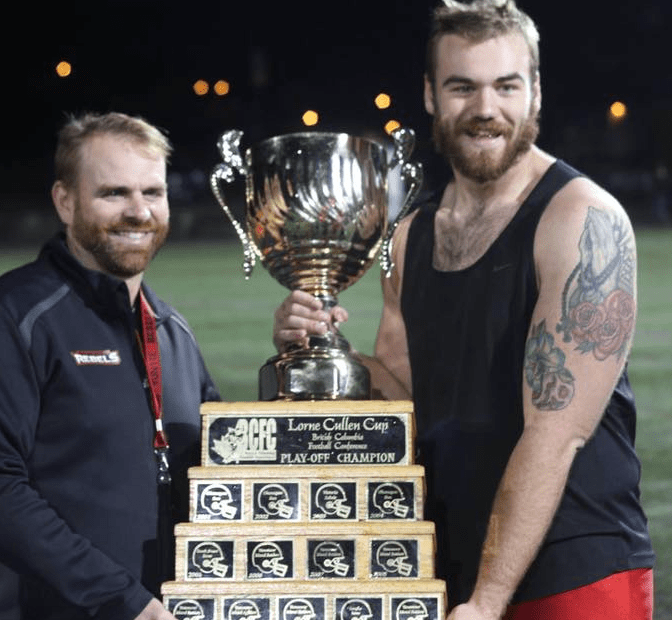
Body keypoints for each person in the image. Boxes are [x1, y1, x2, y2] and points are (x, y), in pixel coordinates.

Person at [272, 1, 655, 618]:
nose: (485, 108)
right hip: (452, 565)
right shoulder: (409, 235)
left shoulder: (581, 218)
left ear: (535, 92)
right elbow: (405, 402)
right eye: (462, 87)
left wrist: (488, 599)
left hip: (574, 570)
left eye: (506, 86)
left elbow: (557, 433)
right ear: (430, 95)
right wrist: (317, 353)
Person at [0, 112, 220, 620]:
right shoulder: (18, 316)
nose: (138, 211)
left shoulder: (172, 331)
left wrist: (289, 366)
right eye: (114, 193)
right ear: (65, 201)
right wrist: (123, 601)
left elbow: (224, 465)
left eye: (153, 192)